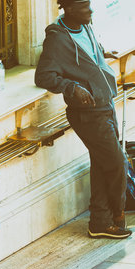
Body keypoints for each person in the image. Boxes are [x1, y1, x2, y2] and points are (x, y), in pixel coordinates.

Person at [35, 0, 131, 239]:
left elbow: (86, 55)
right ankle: (117, 214)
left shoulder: (85, 25)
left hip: (105, 102)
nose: (91, 10)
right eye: (85, 6)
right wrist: (70, 87)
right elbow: (44, 75)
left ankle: (99, 221)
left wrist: (101, 54)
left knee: (101, 161)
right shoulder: (57, 39)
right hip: (87, 113)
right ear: (68, 9)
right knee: (117, 162)